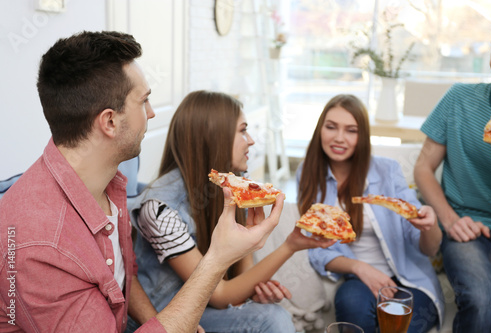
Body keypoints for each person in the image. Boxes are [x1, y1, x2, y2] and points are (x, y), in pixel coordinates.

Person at [0, 31, 286, 333]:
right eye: (144, 100)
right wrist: (217, 259)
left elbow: (123, 276)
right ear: (110, 122)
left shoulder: (111, 184)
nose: (151, 113)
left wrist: (172, 322)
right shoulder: (42, 245)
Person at [127, 90, 336, 333]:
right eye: (242, 131)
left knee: (271, 314)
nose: (251, 140)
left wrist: (250, 254)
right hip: (167, 315)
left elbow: (236, 287)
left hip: (206, 307)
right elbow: (220, 295)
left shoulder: (233, 186)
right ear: (213, 137)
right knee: (272, 319)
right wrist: (290, 245)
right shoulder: (159, 209)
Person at [297, 94, 445, 332]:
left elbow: (428, 248)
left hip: (409, 279)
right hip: (357, 280)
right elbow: (316, 247)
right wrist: (360, 268)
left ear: (362, 136)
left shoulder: (389, 171)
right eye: (331, 127)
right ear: (320, 129)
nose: (339, 138)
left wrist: (431, 225)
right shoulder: (308, 173)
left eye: (351, 130)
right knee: (352, 312)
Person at [414, 25, 491, 333]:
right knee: (480, 299)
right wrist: (449, 220)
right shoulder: (458, 99)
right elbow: (423, 168)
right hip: (465, 225)